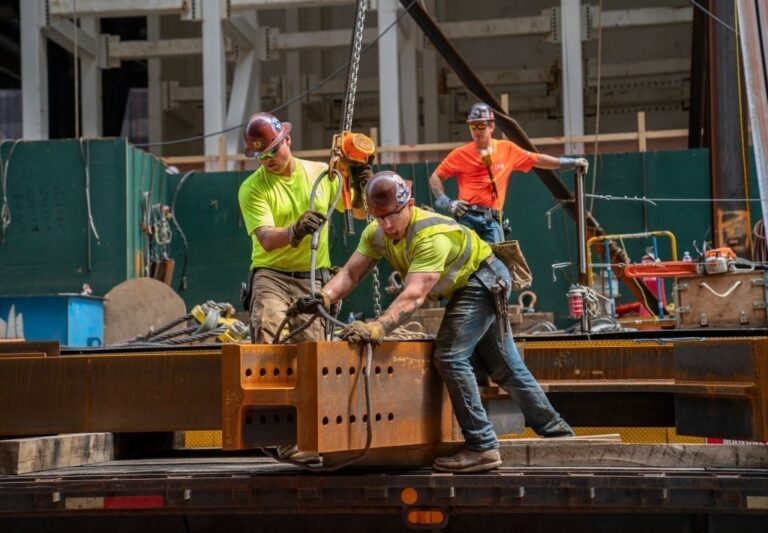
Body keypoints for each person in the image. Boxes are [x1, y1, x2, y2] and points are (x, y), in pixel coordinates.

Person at [295, 171, 573, 473]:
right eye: (378, 217)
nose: (386, 225)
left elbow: (414, 296)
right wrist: (324, 296)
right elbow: (351, 273)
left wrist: (377, 327)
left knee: (450, 356)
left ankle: (482, 446)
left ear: (409, 205)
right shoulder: (376, 232)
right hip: (474, 280)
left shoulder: (430, 236)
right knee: (504, 366)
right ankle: (560, 436)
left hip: (483, 279)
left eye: (392, 216)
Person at [238, 111, 368, 344]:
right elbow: (266, 239)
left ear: (287, 140)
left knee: (313, 348)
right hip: (271, 276)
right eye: (262, 155)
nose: (268, 159)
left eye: (273, 150)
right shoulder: (252, 188)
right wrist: (294, 230)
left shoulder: (321, 174)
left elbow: (359, 212)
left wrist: (361, 181)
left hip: (312, 278)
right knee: (268, 329)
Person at [429, 102, 589, 243]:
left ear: (491, 126)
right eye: (473, 126)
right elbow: (435, 177)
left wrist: (571, 163)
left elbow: (537, 159)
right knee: (466, 265)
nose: (477, 131)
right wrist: (448, 203)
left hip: (492, 220)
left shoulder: (507, 149)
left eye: (481, 126)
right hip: (467, 218)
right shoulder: (460, 154)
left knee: (498, 267)